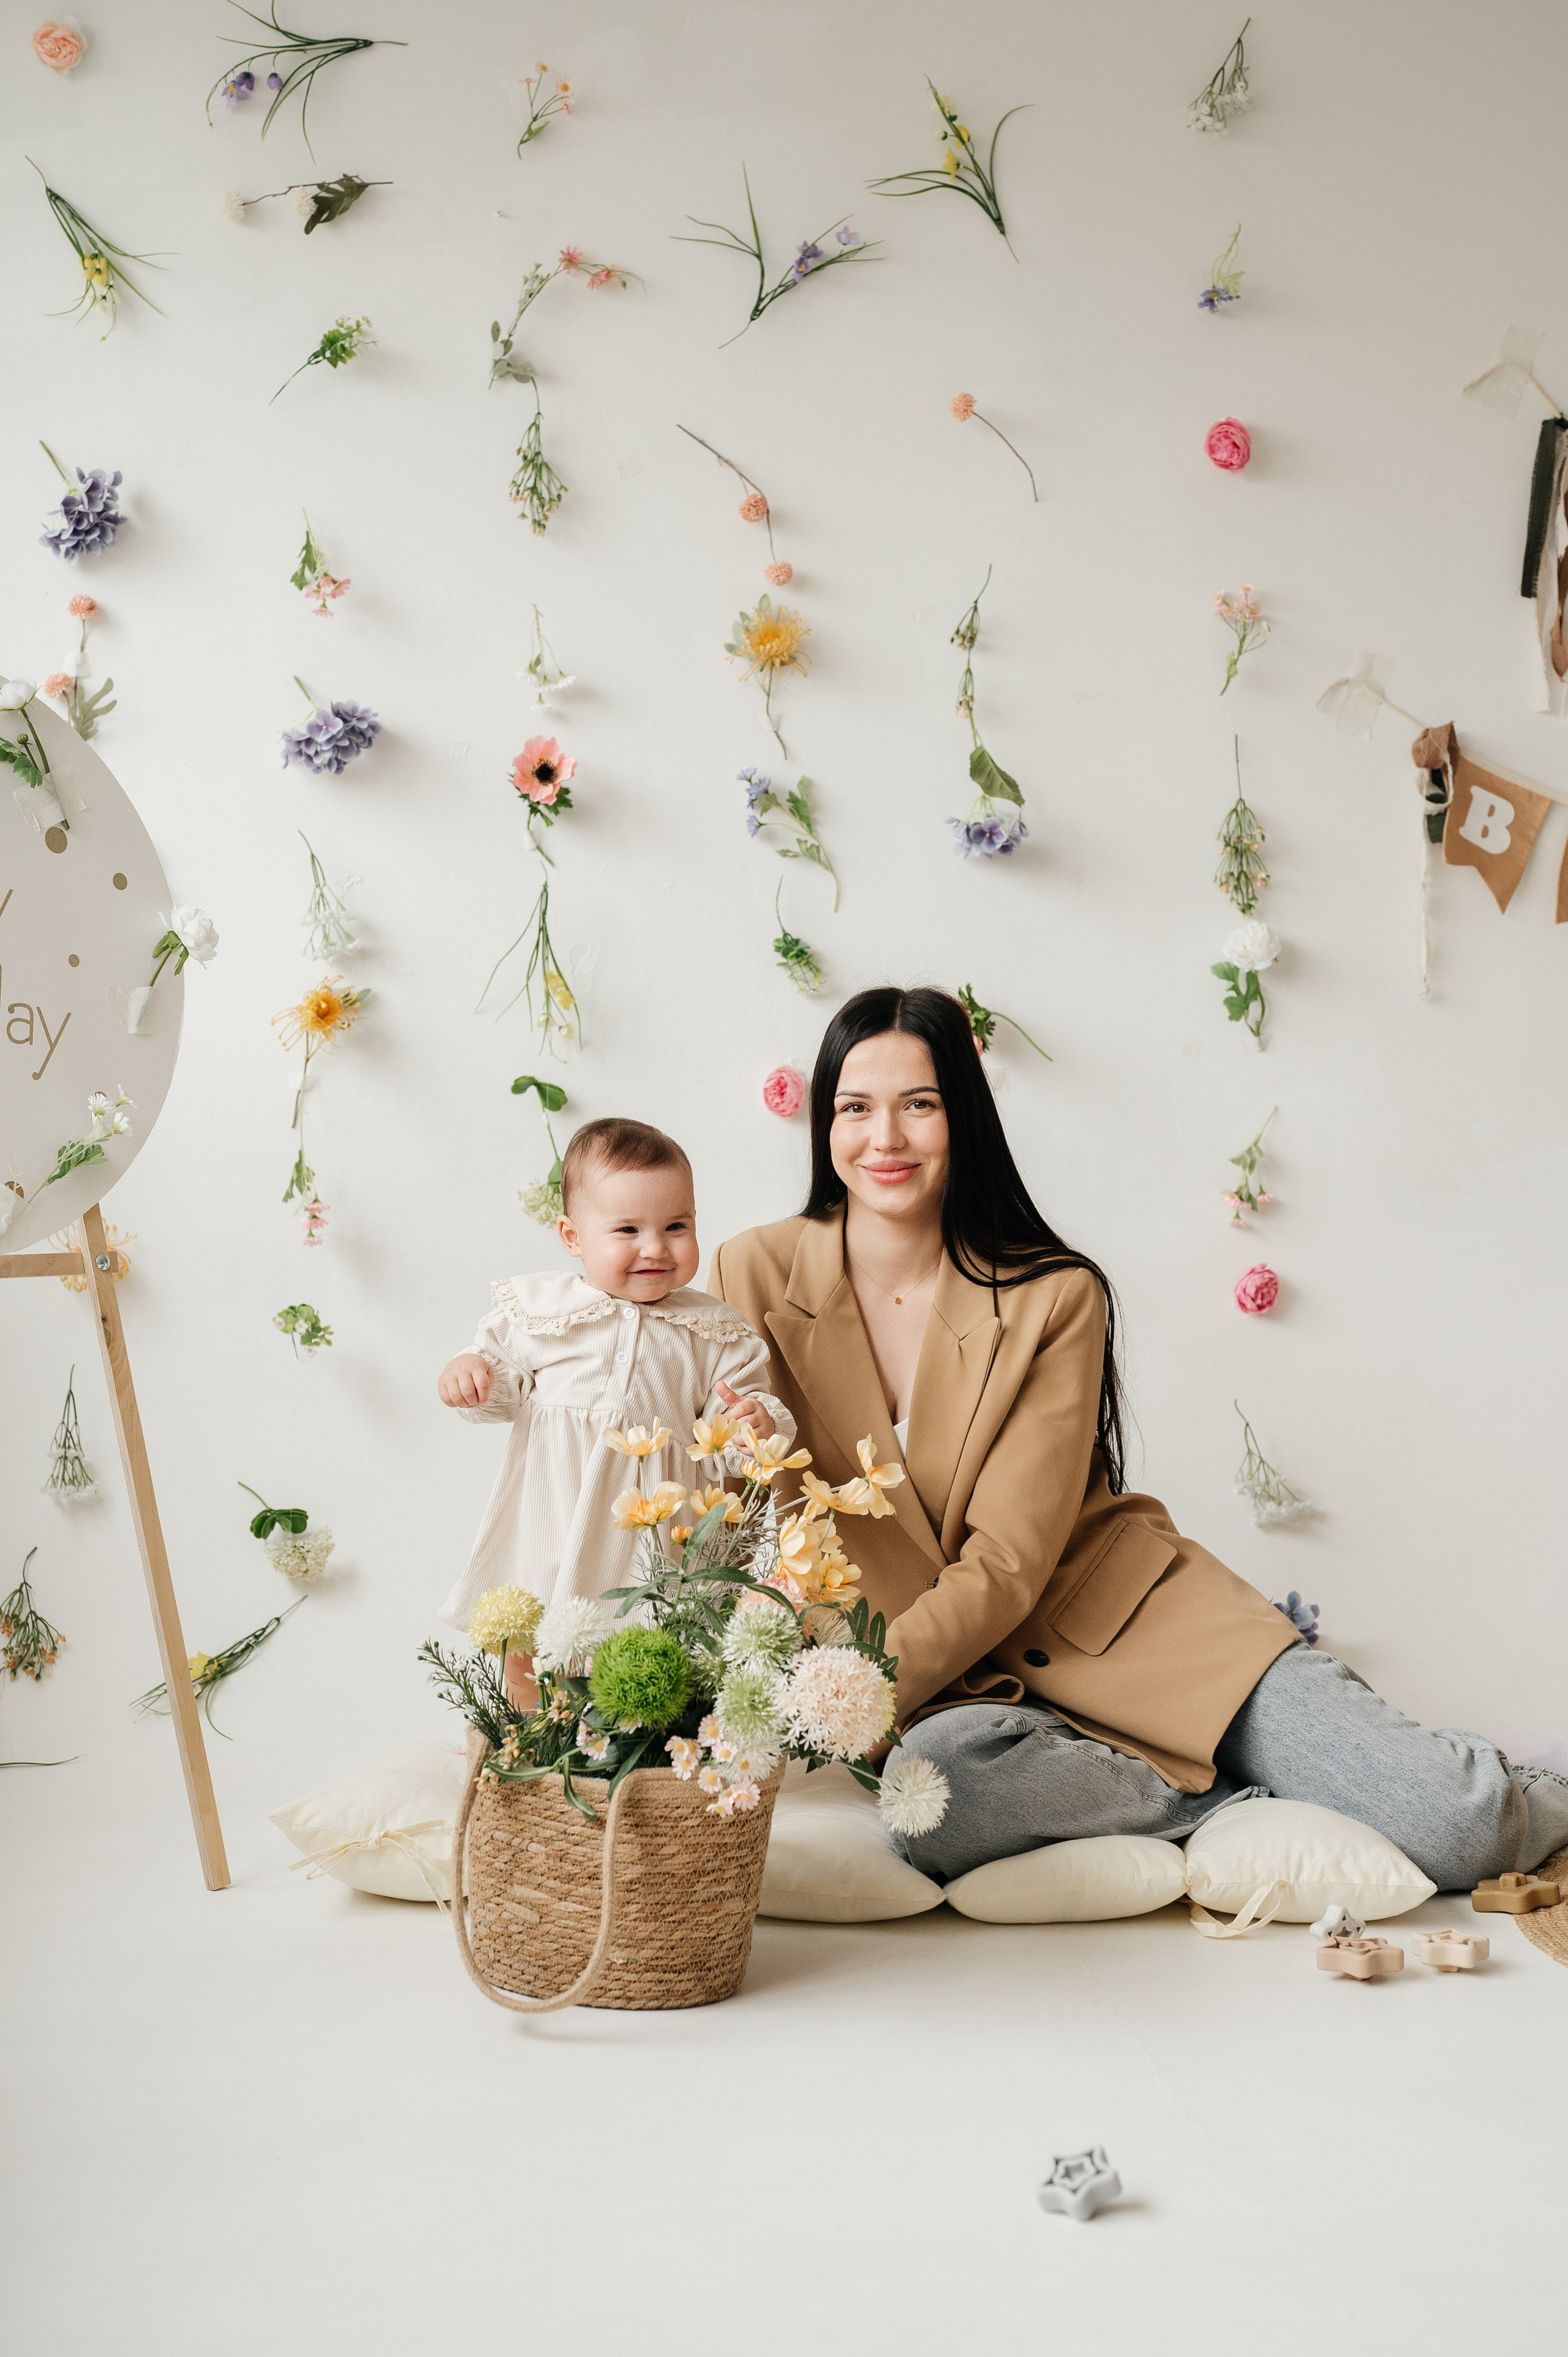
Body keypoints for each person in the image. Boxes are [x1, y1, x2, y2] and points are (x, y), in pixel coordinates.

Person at [711, 986, 1568, 1891]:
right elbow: (726, 1491)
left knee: (1462, 1830)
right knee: (939, 1804)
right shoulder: (752, 1274)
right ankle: (1237, 1799)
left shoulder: (1052, 1294)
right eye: (855, 1108)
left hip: (1135, 1632)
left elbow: (1009, 1562)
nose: (884, 1139)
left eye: (919, 1105)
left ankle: (1530, 1789)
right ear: (824, 1123)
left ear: (962, 1116)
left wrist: (864, 1692)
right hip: (966, 1700)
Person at [436, 1117, 790, 1690]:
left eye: (676, 1225)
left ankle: (637, 1760)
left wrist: (750, 1421)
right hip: (551, 1517)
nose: (655, 1247)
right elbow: (499, 1380)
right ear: (572, 1237)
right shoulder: (545, 1311)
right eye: (627, 1229)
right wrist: (472, 1374)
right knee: (528, 1645)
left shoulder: (709, 1329)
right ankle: (526, 1758)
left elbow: (740, 1407)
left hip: (655, 1538)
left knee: (650, 1655)